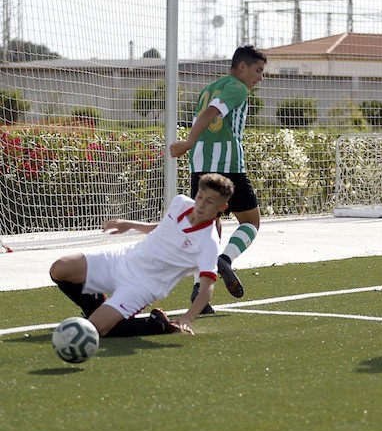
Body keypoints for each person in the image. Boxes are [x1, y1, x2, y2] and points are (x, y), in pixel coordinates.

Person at [49, 173, 235, 338]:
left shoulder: (208, 242)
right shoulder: (180, 202)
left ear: (222, 206)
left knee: (94, 329)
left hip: (142, 285)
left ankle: (156, 325)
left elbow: (206, 289)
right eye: (200, 197)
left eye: (209, 201)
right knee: (59, 269)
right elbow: (163, 227)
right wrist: (129, 224)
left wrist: (188, 317)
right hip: (122, 259)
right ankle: (97, 307)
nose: (201, 205)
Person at [169, 45, 267, 314]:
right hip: (228, 166)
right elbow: (212, 113)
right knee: (251, 222)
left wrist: (192, 144)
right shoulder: (237, 88)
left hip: (200, 167)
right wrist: (188, 141)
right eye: (258, 71)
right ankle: (225, 260)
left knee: (209, 230)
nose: (260, 77)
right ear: (242, 67)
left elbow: (203, 114)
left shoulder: (209, 87)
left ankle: (200, 293)